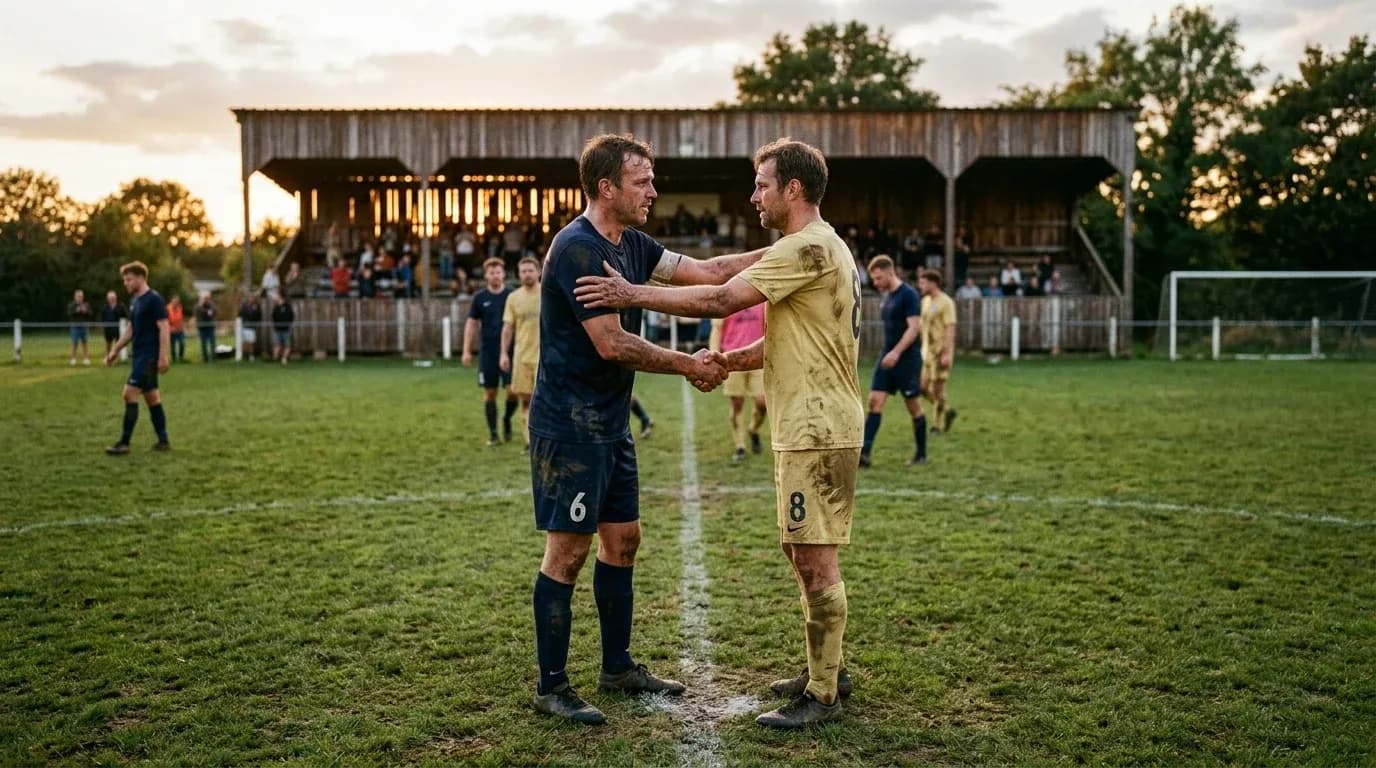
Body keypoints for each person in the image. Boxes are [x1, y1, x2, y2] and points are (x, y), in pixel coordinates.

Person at [575, 137, 862, 729]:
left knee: (814, 557)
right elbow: (796, 338)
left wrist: (632, 294)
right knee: (799, 547)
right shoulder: (819, 246)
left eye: (761, 184)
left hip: (817, 424)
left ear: (794, 190)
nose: (753, 195)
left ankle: (825, 694)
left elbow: (719, 297)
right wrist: (731, 362)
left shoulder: (805, 245)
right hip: (806, 421)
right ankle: (824, 667)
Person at [524, 133, 767, 726]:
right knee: (568, 552)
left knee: (624, 539)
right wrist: (689, 365)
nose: (653, 190)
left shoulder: (632, 244)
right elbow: (611, 343)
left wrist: (787, 250)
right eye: (643, 181)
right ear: (606, 187)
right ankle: (551, 686)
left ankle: (617, 667)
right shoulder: (579, 248)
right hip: (570, 424)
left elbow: (708, 271)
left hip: (609, 424)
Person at [860, 255, 927, 468]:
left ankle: (921, 454)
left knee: (913, 406)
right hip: (886, 356)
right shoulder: (887, 296)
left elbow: (914, 328)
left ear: (890, 272)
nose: (877, 283)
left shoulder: (909, 295)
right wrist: (889, 353)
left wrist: (896, 353)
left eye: (879, 278)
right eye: (874, 280)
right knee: (874, 401)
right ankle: (865, 454)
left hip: (906, 359)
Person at [104, 261, 171, 454]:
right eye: (124, 280)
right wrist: (115, 350)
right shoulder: (136, 302)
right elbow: (131, 329)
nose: (126, 283)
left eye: (129, 279)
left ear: (141, 278)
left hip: (148, 357)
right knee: (152, 398)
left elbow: (164, 327)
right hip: (139, 355)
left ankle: (124, 443)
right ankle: (163, 441)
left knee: (129, 393)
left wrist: (163, 356)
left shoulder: (154, 299)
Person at [462, 258, 519, 447]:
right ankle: (494, 434)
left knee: (512, 391)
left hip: (511, 351)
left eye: (498, 272)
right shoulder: (480, 298)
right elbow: (471, 324)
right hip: (488, 352)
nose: (495, 275)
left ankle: (507, 419)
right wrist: (466, 351)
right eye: (491, 272)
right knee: (490, 393)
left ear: (503, 274)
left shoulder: (512, 296)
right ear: (486, 276)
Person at [710, 303, 767, 463]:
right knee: (737, 403)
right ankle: (740, 446)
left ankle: (753, 430)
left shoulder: (761, 298)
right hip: (732, 359)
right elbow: (717, 331)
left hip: (758, 360)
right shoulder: (727, 296)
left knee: (762, 403)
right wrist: (714, 357)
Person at [500, 256, 541, 453]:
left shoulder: (549, 294)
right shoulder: (513, 298)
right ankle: (529, 441)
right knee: (526, 400)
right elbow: (508, 328)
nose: (527, 274)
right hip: (522, 357)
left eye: (530, 270)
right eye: (523, 271)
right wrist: (503, 354)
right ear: (518, 274)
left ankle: (544, 438)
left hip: (546, 358)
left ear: (538, 272)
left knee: (544, 402)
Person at [918, 269, 957, 434]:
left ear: (933, 283)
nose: (920, 286)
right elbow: (922, 324)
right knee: (923, 388)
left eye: (923, 283)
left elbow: (950, 328)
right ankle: (947, 410)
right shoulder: (925, 301)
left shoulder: (946, 302)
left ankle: (936, 424)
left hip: (941, 351)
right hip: (927, 352)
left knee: (938, 389)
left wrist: (947, 353)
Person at [67, 289, 93, 366]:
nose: (80, 298)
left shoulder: (86, 304)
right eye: (78, 296)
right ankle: (73, 359)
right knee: (74, 343)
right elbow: (69, 313)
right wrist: (77, 310)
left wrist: (86, 311)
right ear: (75, 297)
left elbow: (91, 313)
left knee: (85, 342)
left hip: (84, 326)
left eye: (81, 296)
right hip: (75, 326)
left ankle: (86, 359)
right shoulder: (71, 305)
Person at [100, 290, 127, 361]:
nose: (111, 299)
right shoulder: (105, 308)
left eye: (113, 297)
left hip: (118, 329)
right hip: (108, 329)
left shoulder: (121, 306)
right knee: (108, 343)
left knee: (117, 344)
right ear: (107, 299)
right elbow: (103, 318)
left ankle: (116, 358)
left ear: (116, 298)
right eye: (110, 298)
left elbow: (124, 316)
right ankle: (108, 357)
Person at [271, 294, 295, 364]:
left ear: (282, 299)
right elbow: (273, 316)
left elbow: (291, 316)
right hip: (277, 329)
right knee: (277, 344)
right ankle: (275, 359)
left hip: (286, 330)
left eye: (278, 298)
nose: (277, 300)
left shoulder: (287, 307)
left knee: (287, 345)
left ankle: (284, 359)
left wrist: (287, 324)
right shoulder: (276, 307)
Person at [238, 293, 262, 361]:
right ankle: (243, 355)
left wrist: (256, 323)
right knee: (244, 342)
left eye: (252, 298)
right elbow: (240, 314)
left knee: (251, 342)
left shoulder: (256, 306)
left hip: (252, 327)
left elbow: (259, 315)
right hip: (244, 326)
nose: (251, 299)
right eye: (250, 297)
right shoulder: (244, 306)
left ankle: (251, 355)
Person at [194, 291, 217, 363]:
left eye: (208, 298)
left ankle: (213, 358)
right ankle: (205, 359)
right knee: (203, 344)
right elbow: (200, 314)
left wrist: (208, 311)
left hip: (210, 328)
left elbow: (214, 312)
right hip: (202, 328)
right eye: (205, 298)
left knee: (213, 344)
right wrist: (206, 311)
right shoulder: (198, 306)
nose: (206, 300)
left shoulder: (212, 305)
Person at [167, 295, 186, 363]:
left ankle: (181, 357)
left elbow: (181, 318)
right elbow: (165, 320)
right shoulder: (167, 308)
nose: (176, 302)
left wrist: (181, 326)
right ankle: (174, 359)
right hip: (171, 330)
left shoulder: (180, 307)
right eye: (175, 301)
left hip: (180, 330)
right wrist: (170, 328)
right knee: (173, 345)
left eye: (177, 301)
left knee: (182, 343)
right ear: (171, 300)